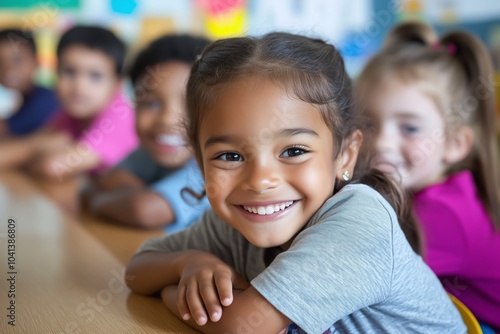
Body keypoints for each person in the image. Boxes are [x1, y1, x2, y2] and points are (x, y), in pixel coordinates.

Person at [125, 32, 465, 333]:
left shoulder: (358, 221)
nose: (260, 181)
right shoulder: (233, 222)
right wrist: (188, 264)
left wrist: (177, 292)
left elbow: (240, 328)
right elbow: (137, 272)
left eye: (293, 150)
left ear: (345, 155)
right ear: (199, 162)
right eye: (229, 156)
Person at [355, 22, 500, 332]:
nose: (381, 143)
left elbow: (357, 277)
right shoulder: (420, 188)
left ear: (455, 144)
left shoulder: (444, 214)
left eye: (410, 128)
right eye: (369, 124)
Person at [83, 35, 211, 231]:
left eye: (190, 105)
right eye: (151, 103)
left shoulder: (213, 166)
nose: (168, 119)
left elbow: (144, 211)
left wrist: (97, 201)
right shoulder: (151, 153)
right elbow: (107, 179)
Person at [29, 25, 138, 180]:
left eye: (95, 76)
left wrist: (36, 150)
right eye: (70, 72)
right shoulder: (68, 114)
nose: (79, 87)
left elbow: (53, 167)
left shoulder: (120, 118)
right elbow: (42, 142)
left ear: (117, 84)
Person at [0, 28, 59, 137]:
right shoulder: (22, 100)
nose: (8, 69)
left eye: (17, 60)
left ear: (36, 62)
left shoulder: (47, 100)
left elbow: (4, 131)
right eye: (0, 62)